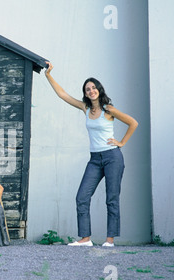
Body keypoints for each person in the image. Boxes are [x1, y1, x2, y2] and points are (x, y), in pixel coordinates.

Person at [45, 62, 138, 247]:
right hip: (95, 159)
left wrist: (121, 142)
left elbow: (133, 123)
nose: (91, 91)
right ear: (85, 93)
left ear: (99, 89)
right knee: (82, 197)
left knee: (111, 198)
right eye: (88, 89)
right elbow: (63, 95)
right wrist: (48, 75)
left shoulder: (108, 109)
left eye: (94, 87)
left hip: (112, 157)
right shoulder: (85, 109)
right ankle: (85, 239)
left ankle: (109, 240)